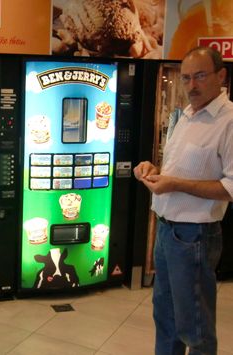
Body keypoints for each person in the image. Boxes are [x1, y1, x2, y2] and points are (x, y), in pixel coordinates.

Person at [134, 46, 233, 354]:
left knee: (194, 328)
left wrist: (175, 183)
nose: (191, 85)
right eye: (187, 77)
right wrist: (154, 170)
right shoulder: (187, 115)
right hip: (166, 232)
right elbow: (179, 170)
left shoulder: (228, 121)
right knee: (164, 317)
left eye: (200, 76)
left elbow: (231, 186)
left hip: (195, 237)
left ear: (221, 75)